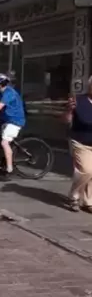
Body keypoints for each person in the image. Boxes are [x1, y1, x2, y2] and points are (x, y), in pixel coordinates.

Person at [64, 75, 92, 211]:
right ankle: (73, 196)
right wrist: (69, 110)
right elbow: (66, 120)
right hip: (81, 141)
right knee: (86, 171)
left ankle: (88, 201)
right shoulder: (79, 101)